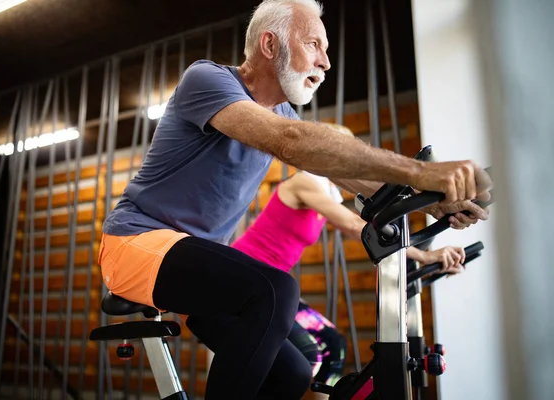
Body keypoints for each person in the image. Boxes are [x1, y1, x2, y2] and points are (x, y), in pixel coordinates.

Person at [98, 0, 491, 398]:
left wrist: (434, 201)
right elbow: (292, 143)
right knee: (275, 292)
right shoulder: (207, 79)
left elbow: (349, 175)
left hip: (191, 258)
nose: (325, 62)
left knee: (293, 373)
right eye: (313, 45)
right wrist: (420, 172)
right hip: (133, 243)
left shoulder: (284, 113)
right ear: (269, 45)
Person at [230, 124, 467, 399]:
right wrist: (425, 255)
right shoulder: (303, 183)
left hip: (273, 285)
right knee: (308, 357)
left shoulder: (327, 190)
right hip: (248, 280)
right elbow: (356, 227)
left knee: (332, 344)